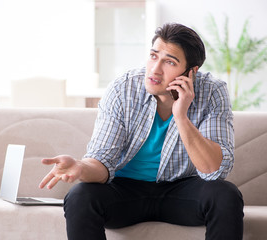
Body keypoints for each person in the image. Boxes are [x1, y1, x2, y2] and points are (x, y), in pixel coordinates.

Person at [39, 23, 244, 240]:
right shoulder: (123, 89)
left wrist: (181, 116)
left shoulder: (213, 91)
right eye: (154, 56)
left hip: (181, 190)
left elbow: (214, 171)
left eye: (170, 62)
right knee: (80, 196)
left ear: (191, 72)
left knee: (225, 195)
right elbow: (102, 161)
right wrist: (80, 167)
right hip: (124, 190)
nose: (155, 69)